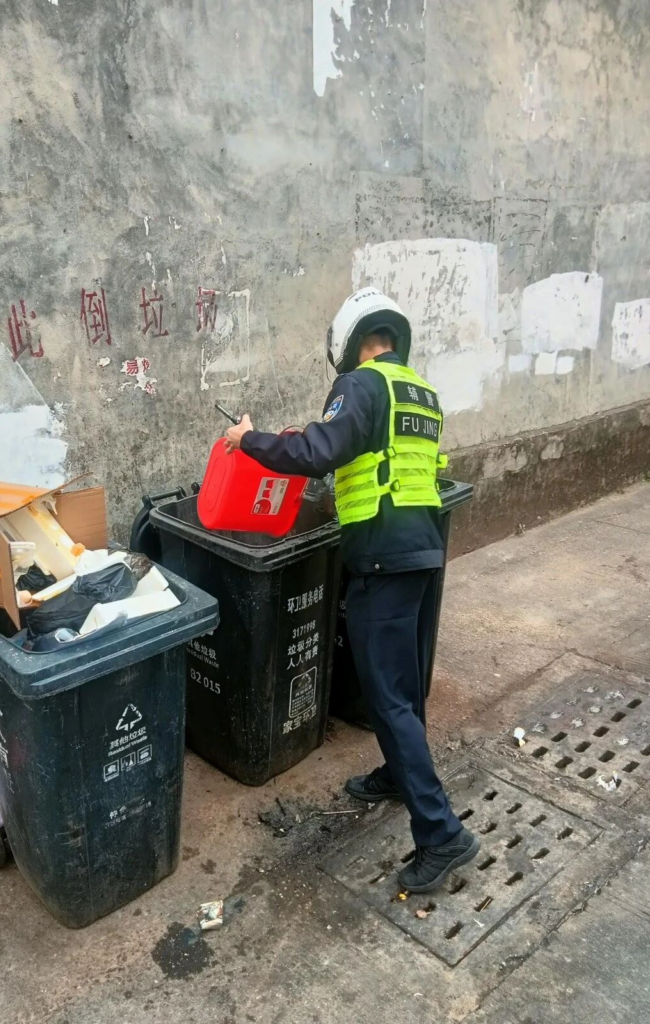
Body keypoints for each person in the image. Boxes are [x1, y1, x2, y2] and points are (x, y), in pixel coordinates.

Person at [223, 286, 480, 893]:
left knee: (387, 696)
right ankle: (398, 772)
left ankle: (442, 834)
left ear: (351, 342)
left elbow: (319, 450)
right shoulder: (422, 392)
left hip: (384, 559)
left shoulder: (362, 384)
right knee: (404, 687)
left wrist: (250, 441)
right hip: (421, 548)